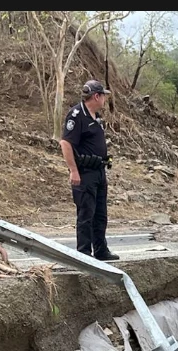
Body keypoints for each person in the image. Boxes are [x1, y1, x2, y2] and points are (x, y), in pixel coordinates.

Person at [59, 79, 119, 261]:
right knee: (86, 213)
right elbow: (66, 143)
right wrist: (73, 170)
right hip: (85, 172)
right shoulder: (77, 115)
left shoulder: (96, 117)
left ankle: (101, 250)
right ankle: (84, 252)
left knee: (100, 214)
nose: (105, 100)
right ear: (96, 96)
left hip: (99, 171)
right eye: (103, 96)